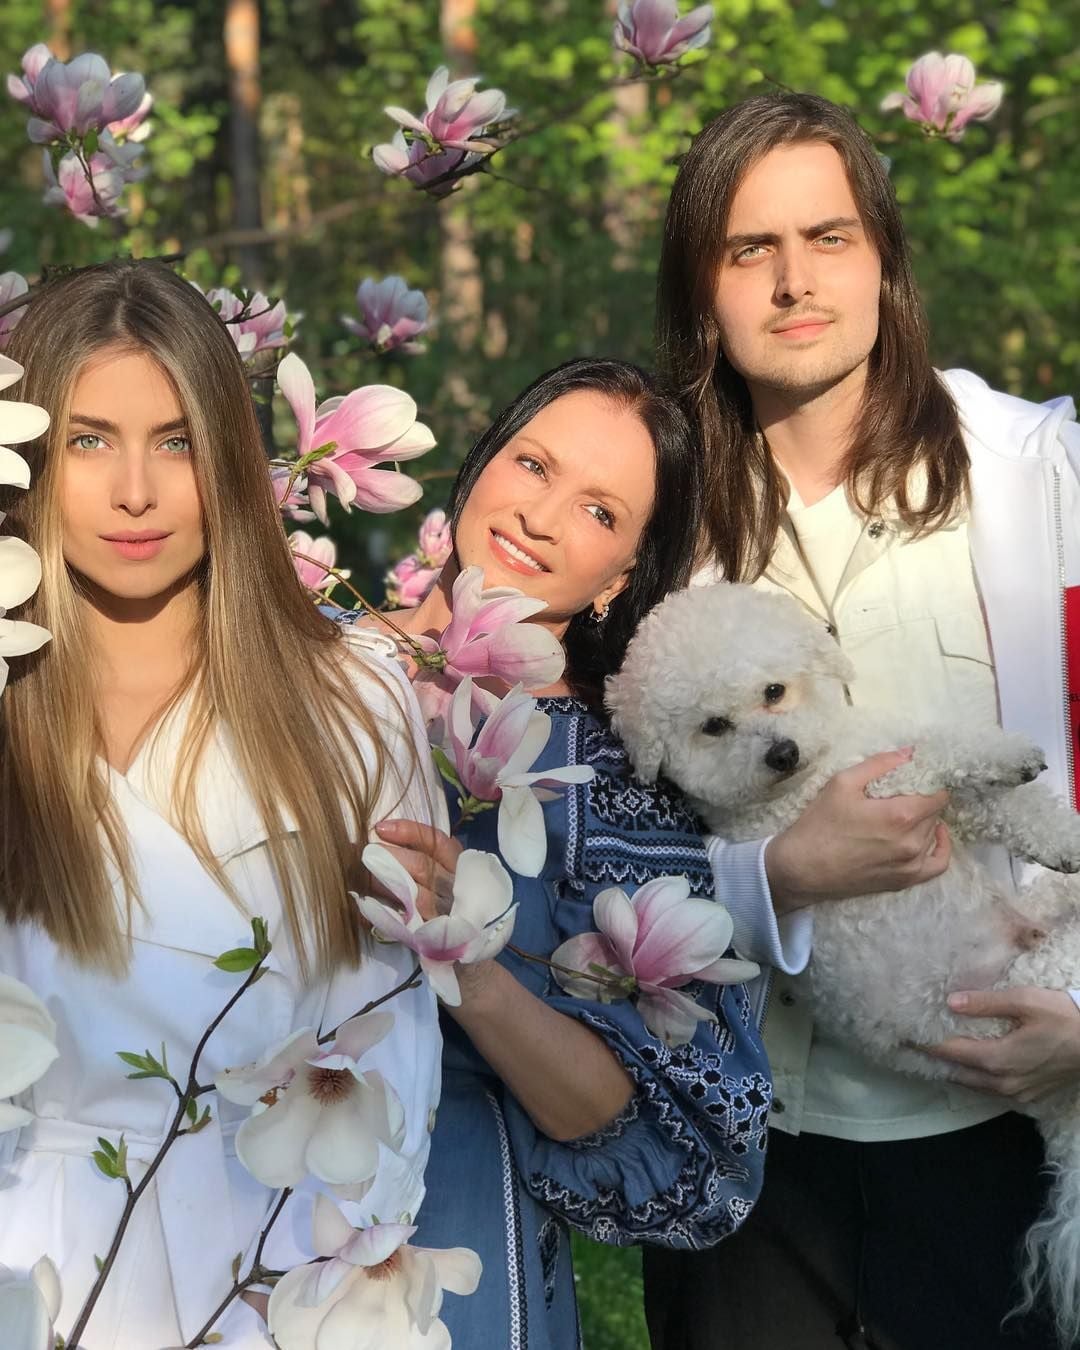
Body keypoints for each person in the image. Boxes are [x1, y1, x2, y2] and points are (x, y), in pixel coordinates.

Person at [643, 92, 1080, 1350]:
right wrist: (772, 874)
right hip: (748, 1151)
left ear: (884, 258)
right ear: (703, 291)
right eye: (750, 249)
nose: (795, 281)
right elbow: (587, 839)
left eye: (828, 237)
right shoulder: (649, 523)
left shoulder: (1040, 483)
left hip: (1003, 1121)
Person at [0, 260, 444, 1349]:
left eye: (177, 441)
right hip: (29, 1256)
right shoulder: (8, 698)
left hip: (267, 1268)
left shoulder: (351, 702)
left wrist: (324, 1287)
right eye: (90, 440)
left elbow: (387, 1046)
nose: (135, 493)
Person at [345, 358, 773, 1349]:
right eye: (533, 465)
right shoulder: (286, 652)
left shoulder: (615, 779)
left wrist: (477, 975)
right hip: (199, 1189)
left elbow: (678, 1148)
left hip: (445, 1253)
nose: (540, 517)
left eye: (598, 511)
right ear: (483, 458)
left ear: (621, 574)